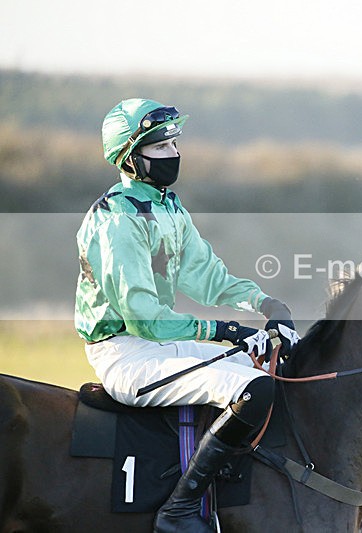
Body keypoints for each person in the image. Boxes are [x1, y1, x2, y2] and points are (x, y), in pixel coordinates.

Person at [75, 98, 299, 533]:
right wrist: (222, 329)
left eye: (174, 143)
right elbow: (143, 318)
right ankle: (179, 510)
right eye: (160, 147)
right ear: (130, 158)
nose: (173, 154)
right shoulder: (117, 219)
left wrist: (265, 304)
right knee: (251, 388)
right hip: (125, 355)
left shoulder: (168, 207)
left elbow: (207, 276)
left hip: (157, 346)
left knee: (255, 367)